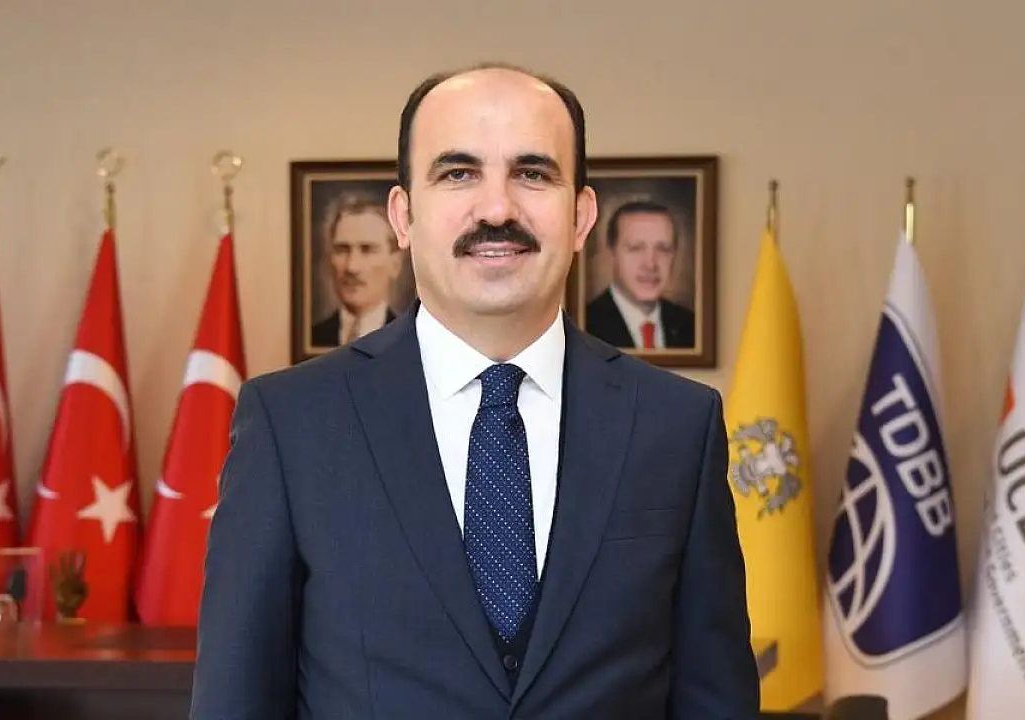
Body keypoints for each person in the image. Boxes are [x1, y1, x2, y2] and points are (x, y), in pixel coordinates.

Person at [191, 62, 759, 719]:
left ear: (581, 217)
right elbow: (235, 701)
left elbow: (716, 700)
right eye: (458, 173)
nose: (496, 209)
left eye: (533, 173)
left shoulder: (677, 426)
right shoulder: (291, 425)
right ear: (403, 215)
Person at [585, 199, 697, 349]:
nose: (650, 264)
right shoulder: (585, 325)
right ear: (611, 253)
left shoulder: (691, 326)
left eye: (663, 249)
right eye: (636, 248)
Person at [310, 192, 403, 346]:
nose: (352, 267)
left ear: (395, 264)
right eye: (342, 250)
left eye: (367, 250)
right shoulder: (313, 337)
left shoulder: (411, 341)